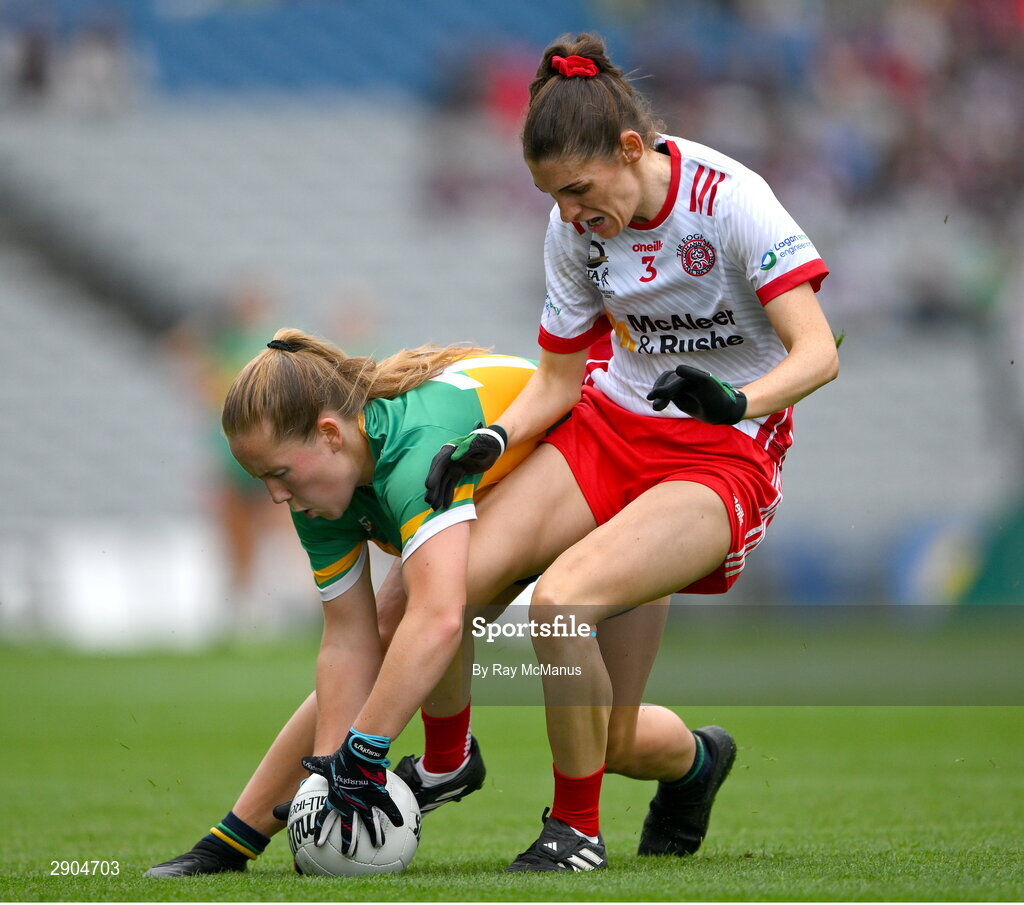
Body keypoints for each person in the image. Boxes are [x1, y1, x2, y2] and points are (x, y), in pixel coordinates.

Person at [423, 33, 838, 872]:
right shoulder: (572, 226)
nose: (572, 215)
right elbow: (556, 379)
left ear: (629, 149)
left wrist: (734, 400)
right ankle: (445, 761)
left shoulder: (731, 199)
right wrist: (493, 442)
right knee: (443, 581)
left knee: (562, 608)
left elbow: (818, 352)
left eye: (579, 190)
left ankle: (578, 828)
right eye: (554, 197)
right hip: (611, 430)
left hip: (720, 456)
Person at [144, 329, 543, 877]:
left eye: (280, 474)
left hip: (592, 461)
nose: (276, 497)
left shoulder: (414, 450)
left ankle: (449, 762)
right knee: (388, 623)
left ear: (330, 434)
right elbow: (348, 641)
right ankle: (235, 838)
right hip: (506, 490)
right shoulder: (319, 491)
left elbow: (440, 618)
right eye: (263, 480)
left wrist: (360, 754)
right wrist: (324, 781)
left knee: (430, 609)